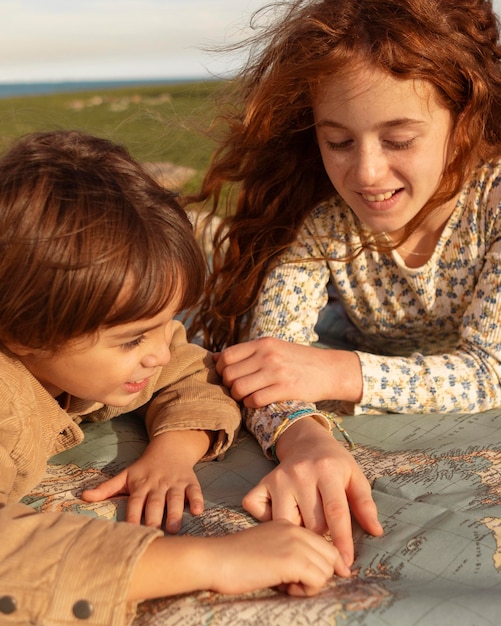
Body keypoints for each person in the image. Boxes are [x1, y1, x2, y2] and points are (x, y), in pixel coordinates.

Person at [188, 0, 501, 571]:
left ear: (466, 121)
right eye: (339, 142)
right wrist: (304, 438)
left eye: (400, 139)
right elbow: (271, 359)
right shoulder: (325, 224)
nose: (366, 173)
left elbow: (490, 371)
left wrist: (334, 370)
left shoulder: (494, 206)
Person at [0, 131, 349, 626]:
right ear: (23, 331)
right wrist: (215, 562)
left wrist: (172, 450)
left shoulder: (95, 334)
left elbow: (190, 369)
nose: (160, 350)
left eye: (167, 323)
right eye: (130, 341)